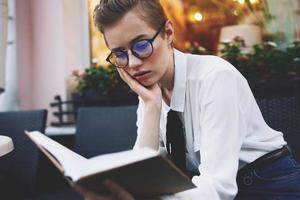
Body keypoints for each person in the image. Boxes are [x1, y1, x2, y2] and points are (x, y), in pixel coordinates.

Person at [75, 0, 300, 199]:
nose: (132, 63)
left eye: (141, 45)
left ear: (168, 33)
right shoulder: (150, 91)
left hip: (271, 185)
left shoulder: (214, 77)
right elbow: (140, 172)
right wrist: (151, 106)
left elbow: (218, 187)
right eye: (120, 54)